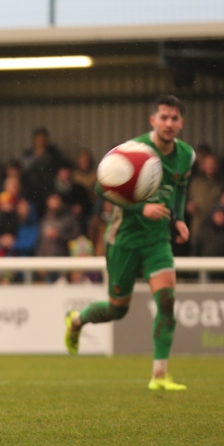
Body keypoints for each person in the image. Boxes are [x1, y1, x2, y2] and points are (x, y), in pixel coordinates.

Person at [65, 95, 194, 391]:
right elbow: (101, 187)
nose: (169, 123)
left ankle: (160, 375)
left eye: (175, 118)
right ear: (153, 120)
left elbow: (180, 187)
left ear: (181, 123)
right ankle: (76, 320)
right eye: (164, 117)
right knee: (117, 310)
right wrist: (140, 207)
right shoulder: (134, 150)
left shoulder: (185, 155)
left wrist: (178, 218)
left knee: (167, 300)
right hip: (124, 239)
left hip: (157, 241)